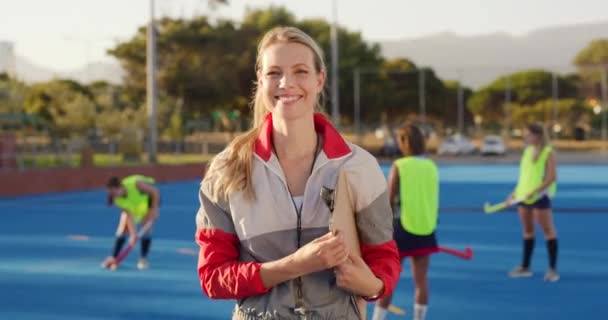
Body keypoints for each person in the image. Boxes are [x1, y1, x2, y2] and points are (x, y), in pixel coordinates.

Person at [194, 26, 401, 319]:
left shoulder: (358, 167)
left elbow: (383, 256)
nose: (286, 83)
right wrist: (296, 265)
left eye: (300, 71)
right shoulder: (226, 170)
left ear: (320, 79)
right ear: (260, 80)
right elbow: (213, 277)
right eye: (274, 72)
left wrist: (373, 285)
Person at [372, 124, 439, 320]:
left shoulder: (400, 165)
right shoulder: (431, 166)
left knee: (388, 279)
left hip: (401, 229)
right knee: (421, 281)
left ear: (404, 142)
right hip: (426, 228)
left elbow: (389, 199)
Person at [507, 123, 559, 282]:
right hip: (523, 197)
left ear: (537, 136)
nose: (525, 137)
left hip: (539, 197)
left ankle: (552, 270)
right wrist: (514, 193)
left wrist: (535, 192)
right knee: (528, 231)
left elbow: (551, 178)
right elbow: (524, 176)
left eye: (528, 134)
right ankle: (525, 267)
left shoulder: (548, 152)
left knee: (548, 232)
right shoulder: (527, 151)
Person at [102, 174, 160, 270]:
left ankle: (143, 259)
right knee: (122, 228)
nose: (114, 196)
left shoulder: (135, 184)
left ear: (119, 187)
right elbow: (128, 215)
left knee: (146, 228)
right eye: (111, 194)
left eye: (114, 192)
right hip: (135, 207)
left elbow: (154, 192)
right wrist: (133, 234)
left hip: (149, 201)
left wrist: (154, 210)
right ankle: (114, 257)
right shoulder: (117, 200)